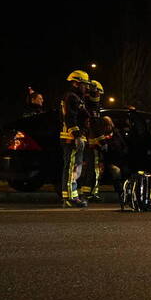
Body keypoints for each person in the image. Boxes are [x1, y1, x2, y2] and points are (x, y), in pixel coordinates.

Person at [59, 70, 91, 208]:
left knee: (75, 168)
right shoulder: (71, 97)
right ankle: (69, 198)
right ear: (76, 83)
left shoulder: (76, 97)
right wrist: (77, 136)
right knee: (72, 168)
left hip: (75, 138)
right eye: (84, 84)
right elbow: (70, 118)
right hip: (70, 139)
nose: (87, 87)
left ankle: (73, 195)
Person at [79, 80, 107, 202]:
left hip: (87, 143)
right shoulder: (91, 109)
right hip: (92, 145)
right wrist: (103, 142)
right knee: (92, 170)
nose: (99, 96)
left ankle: (85, 192)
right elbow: (95, 126)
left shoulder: (86, 106)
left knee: (86, 169)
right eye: (97, 93)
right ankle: (89, 193)